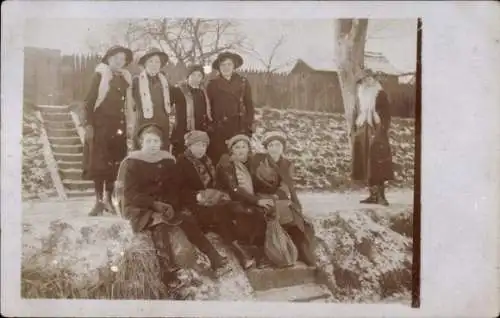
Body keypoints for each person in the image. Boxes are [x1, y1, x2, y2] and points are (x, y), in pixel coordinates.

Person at [119, 123, 230, 296]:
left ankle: (215, 258)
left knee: (187, 220)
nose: (153, 145)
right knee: (160, 227)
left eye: (156, 141)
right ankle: (168, 272)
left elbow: (173, 188)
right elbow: (131, 194)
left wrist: (170, 203)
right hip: (140, 206)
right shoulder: (132, 162)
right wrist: (155, 205)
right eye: (149, 141)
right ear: (142, 142)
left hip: (165, 203)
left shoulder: (167, 160)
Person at [176, 130, 255, 270]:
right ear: (189, 146)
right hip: (192, 204)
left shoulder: (207, 161)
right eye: (197, 145)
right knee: (217, 216)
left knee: (224, 212)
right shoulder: (181, 163)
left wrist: (217, 194)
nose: (201, 149)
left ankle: (241, 254)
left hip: (210, 202)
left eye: (204, 145)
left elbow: (215, 183)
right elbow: (178, 191)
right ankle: (218, 257)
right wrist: (197, 196)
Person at [252, 130, 318, 266]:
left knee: (294, 216)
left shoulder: (287, 164)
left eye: (277, 145)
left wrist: (275, 197)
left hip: (277, 197)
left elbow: (286, 186)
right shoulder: (258, 160)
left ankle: (302, 251)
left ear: (282, 147)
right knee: (267, 213)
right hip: (260, 195)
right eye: (271, 145)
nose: (274, 148)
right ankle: (267, 254)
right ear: (266, 148)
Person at [82, 45, 133, 216]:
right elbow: (88, 102)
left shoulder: (126, 79)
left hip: (118, 127)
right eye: (116, 58)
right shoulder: (100, 75)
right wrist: (88, 125)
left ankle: (108, 199)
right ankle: (98, 201)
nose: (119, 61)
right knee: (99, 164)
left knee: (114, 164)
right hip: (101, 127)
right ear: (108, 59)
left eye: (122, 59)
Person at [215, 134, 274, 269]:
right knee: (247, 213)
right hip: (227, 199)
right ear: (232, 151)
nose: (241, 150)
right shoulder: (226, 164)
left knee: (263, 212)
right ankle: (244, 253)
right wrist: (257, 201)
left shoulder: (250, 162)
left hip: (245, 198)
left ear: (248, 149)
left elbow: (259, 183)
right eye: (237, 148)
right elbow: (234, 188)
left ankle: (261, 253)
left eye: (244, 147)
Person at [351, 68, 394, 206]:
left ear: (373, 79)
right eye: (363, 80)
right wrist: (354, 130)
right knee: (366, 163)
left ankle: (381, 196)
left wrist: (381, 131)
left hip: (376, 130)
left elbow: (386, 115)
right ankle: (372, 194)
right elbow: (355, 113)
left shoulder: (380, 94)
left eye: (369, 78)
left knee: (377, 162)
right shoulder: (360, 95)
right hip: (363, 129)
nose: (367, 81)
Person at [206, 52, 255, 165]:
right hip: (219, 129)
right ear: (219, 68)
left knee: (240, 158)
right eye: (223, 65)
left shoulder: (243, 82)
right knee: (221, 159)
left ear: (234, 66)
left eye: (229, 64)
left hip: (239, 127)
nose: (226, 67)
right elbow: (208, 107)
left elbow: (249, 105)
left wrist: (248, 124)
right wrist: (211, 126)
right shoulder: (212, 84)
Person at [131, 48, 173, 151]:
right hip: (143, 124)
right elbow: (128, 102)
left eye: (157, 62)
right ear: (145, 64)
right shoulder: (136, 81)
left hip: (162, 124)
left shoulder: (165, 83)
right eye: (151, 61)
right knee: (142, 154)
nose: (154, 64)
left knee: (161, 154)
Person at [170, 65, 213, 157]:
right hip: (182, 132)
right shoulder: (179, 90)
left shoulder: (203, 93)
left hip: (198, 132)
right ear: (188, 76)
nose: (196, 78)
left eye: (199, 76)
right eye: (193, 75)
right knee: (181, 158)